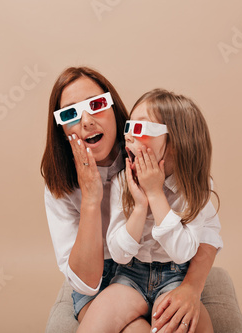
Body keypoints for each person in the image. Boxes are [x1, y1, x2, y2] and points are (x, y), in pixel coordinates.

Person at [42, 68, 218, 332]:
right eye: (70, 113)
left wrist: (192, 287)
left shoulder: (143, 162)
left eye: (97, 104)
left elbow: (207, 235)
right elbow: (86, 282)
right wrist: (90, 199)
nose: (87, 120)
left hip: (167, 271)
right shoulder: (63, 183)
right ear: (61, 128)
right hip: (110, 275)